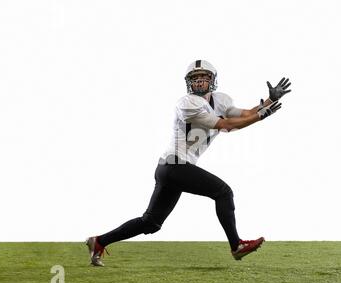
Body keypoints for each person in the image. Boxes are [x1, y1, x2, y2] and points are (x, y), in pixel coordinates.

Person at [86, 60, 291, 266]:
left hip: (172, 167)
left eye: (204, 77)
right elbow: (227, 125)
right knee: (223, 192)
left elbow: (245, 114)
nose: (199, 82)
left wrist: (268, 102)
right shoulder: (188, 103)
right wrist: (261, 116)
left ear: (213, 80)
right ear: (188, 82)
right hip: (175, 164)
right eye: (195, 78)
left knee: (151, 223)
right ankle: (236, 245)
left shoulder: (221, 100)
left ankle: (99, 242)